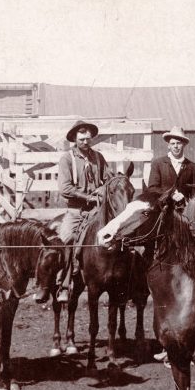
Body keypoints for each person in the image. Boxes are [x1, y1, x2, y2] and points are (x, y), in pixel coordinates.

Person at [144, 126, 195, 364]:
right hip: (163, 216)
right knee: (150, 249)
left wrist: (187, 199)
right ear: (168, 144)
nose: (176, 146)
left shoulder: (190, 166)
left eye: (180, 143)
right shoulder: (159, 163)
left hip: (184, 217)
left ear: (184, 145)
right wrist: (171, 194)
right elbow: (152, 189)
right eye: (173, 143)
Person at [55, 121, 110, 303]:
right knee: (66, 239)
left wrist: (107, 188)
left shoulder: (98, 158)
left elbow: (108, 179)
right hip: (76, 210)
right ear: (74, 139)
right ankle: (63, 283)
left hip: (97, 210)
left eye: (88, 139)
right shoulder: (67, 159)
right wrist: (88, 197)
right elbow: (65, 188)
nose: (86, 142)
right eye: (82, 139)